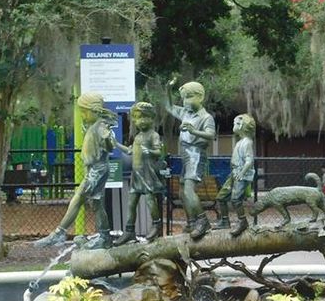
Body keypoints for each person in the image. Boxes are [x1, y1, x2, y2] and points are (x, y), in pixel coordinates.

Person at [34, 92, 117, 249]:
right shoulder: (95, 126)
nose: (83, 115)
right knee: (97, 204)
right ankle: (104, 236)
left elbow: (110, 146)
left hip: (97, 170)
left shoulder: (100, 127)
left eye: (84, 112)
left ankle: (59, 233)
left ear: (94, 110)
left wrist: (107, 139)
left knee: (78, 198)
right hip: (94, 169)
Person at [164, 79, 216, 240]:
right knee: (181, 192)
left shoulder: (206, 117)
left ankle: (203, 221)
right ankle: (191, 221)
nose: (185, 102)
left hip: (196, 154)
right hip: (185, 155)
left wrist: (194, 131)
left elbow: (210, 135)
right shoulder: (185, 113)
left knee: (188, 189)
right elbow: (168, 106)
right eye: (184, 98)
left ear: (200, 97)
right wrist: (167, 89)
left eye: (189, 97)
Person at [114, 101, 166, 246]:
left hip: (148, 174)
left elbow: (158, 152)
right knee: (131, 204)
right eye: (137, 118)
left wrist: (149, 151)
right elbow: (129, 151)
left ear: (151, 119)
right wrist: (116, 144)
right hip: (136, 175)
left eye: (144, 117)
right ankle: (129, 231)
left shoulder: (153, 135)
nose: (141, 121)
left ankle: (156, 225)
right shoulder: (137, 137)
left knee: (150, 201)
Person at [215, 114, 255, 236]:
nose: (233, 125)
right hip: (234, 173)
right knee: (221, 197)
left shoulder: (247, 142)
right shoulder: (240, 142)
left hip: (241, 174)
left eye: (235, 123)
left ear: (242, 126)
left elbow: (249, 161)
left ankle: (242, 222)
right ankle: (225, 221)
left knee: (236, 199)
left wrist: (242, 173)